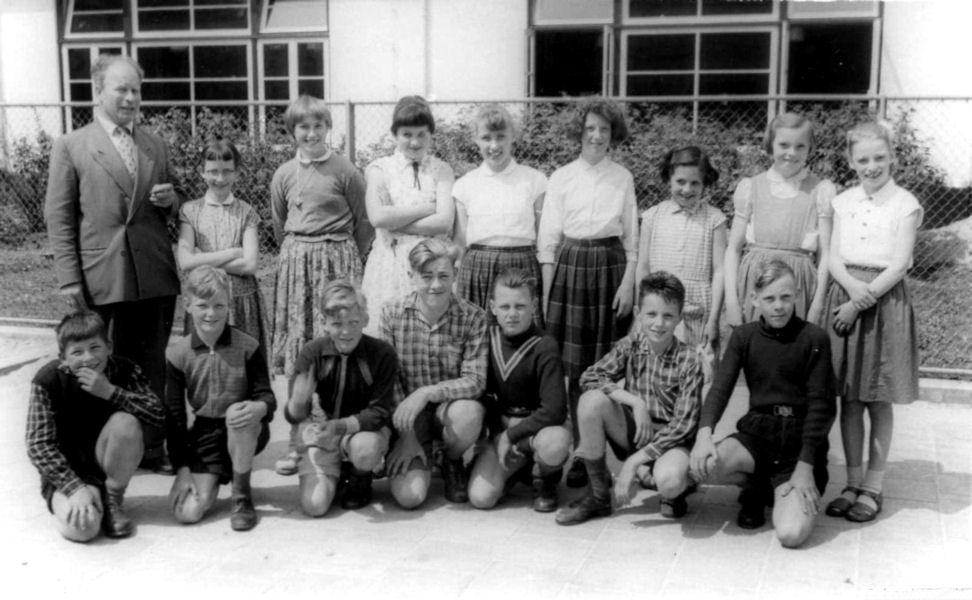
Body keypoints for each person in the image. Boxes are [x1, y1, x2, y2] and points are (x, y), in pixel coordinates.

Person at [44, 53, 185, 473]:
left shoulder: (153, 143)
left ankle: (152, 447)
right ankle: (93, 452)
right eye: (120, 89)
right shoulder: (72, 145)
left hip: (153, 275)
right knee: (93, 362)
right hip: (100, 275)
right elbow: (60, 216)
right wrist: (70, 279)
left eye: (136, 90)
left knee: (152, 363)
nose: (129, 98)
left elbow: (173, 205)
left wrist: (171, 200)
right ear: (99, 91)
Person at [690, 260, 835, 548]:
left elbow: (823, 407)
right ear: (755, 300)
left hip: (798, 445)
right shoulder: (744, 336)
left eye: (785, 297)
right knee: (702, 466)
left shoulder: (814, 338)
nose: (778, 306)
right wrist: (704, 433)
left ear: (796, 296)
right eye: (769, 298)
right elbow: (720, 389)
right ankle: (755, 489)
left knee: (791, 534)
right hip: (758, 435)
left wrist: (806, 466)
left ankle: (778, 491)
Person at [822, 121, 922, 523]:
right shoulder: (843, 202)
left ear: (892, 157)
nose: (872, 165)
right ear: (851, 161)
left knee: (877, 397)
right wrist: (849, 291)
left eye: (880, 157)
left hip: (883, 301)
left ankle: (874, 486)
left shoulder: (906, 203)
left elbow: (899, 264)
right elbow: (831, 256)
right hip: (846, 297)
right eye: (863, 159)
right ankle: (851, 482)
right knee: (850, 397)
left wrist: (862, 299)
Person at [537, 97, 638, 488]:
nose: (597, 136)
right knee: (576, 369)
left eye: (605, 129)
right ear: (579, 131)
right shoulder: (560, 177)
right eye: (590, 128)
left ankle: (609, 449)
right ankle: (581, 453)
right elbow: (548, 239)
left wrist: (629, 281)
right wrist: (548, 294)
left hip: (611, 268)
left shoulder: (623, 177)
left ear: (614, 134)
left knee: (607, 364)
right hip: (572, 267)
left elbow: (632, 238)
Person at [269, 94, 372, 476]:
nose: (310, 133)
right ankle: (296, 442)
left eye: (317, 126)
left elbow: (363, 224)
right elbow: (279, 224)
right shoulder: (283, 173)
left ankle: (338, 439)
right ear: (292, 131)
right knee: (302, 354)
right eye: (302, 127)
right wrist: (301, 255)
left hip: (338, 261)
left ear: (328, 128)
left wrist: (344, 263)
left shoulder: (345, 170)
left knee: (341, 349)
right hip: (298, 267)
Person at [556, 272, 704, 525]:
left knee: (669, 482)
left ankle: (675, 485)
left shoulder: (689, 360)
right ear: (638, 313)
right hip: (637, 432)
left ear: (680, 318)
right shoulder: (631, 344)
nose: (659, 323)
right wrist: (635, 403)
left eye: (668, 316)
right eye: (651, 314)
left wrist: (633, 463)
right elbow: (590, 376)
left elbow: (683, 426)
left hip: (670, 441)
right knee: (591, 400)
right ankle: (599, 496)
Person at [26, 311, 165, 542]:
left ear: (109, 346)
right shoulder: (47, 380)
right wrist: (73, 488)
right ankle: (87, 498)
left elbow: (158, 415)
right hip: (66, 473)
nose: (88, 358)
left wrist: (111, 392)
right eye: (77, 352)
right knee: (83, 529)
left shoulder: (125, 370)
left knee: (126, 423)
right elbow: (38, 445)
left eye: (95, 347)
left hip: (108, 465)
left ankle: (112, 499)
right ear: (63, 357)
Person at [165, 266, 275, 532]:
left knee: (238, 413)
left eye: (219, 305)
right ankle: (216, 474)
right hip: (205, 436)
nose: (211, 314)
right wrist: (182, 468)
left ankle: (241, 494)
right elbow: (175, 417)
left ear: (229, 305)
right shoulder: (177, 354)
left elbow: (267, 397)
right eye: (202, 305)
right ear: (188, 306)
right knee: (187, 512)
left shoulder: (248, 346)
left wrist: (258, 407)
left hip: (244, 427)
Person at [380, 238, 487, 508]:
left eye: (443, 276)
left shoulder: (474, 317)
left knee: (470, 414)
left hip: (448, 413)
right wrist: (406, 436)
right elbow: (388, 382)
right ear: (411, 276)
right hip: (407, 418)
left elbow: (475, 381)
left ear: (455, 274)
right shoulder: (391, 314)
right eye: (426, 276)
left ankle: (452, 460)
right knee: (410, 498)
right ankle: (418, 452)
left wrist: (427, 393)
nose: (436, 285)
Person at [285, 280, 398, 516]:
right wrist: (297, 403)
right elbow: (295, 415)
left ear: (366, 320)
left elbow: (379, 413)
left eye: (353, 322)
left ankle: (359, 475)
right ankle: (333, 473)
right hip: (323, 434)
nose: (346, 331)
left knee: (365, 449)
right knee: (314, 506)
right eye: (337, 323)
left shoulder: (382, 353)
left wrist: (339, 426)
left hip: (361, 432)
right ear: (324, 323)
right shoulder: (312, 352)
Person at [467, 268, 570, 512]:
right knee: (481, 498)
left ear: (534, 305)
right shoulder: (486, 338)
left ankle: (545, 477)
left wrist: (511, 436)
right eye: (505, 307)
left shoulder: (545, 345)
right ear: (492, 306)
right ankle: (516, 471)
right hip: (500, 432)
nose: (512, 314)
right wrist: (493, 435)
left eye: (520, 306)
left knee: (555, 443)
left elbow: (554, 410)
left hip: (534, 431)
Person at [724, 112, 837, 327]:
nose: (791, 153)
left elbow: (825, 253)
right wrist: (731, 301)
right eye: (784, 145)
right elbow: (733, 249)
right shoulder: (751, 187)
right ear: (770, 145)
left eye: (800, 146)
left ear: (810, 148)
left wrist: (818, 303)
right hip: (755, 283)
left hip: (798, 285)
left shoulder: (821, 190)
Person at [361, 95, 455, 336]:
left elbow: (444, 222)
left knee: (429, 333)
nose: (414, 142)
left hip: (429, 263)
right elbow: (378, 218)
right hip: (389, 263)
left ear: (431, 134)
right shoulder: (379, 169)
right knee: (388, 332)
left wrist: (397, 224)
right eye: (407, 134)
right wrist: (428, 207)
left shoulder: (442, 170)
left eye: (421, 134)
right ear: (395, 134)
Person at [454, 104, 547, 320]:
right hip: (477, 269)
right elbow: (460, 241)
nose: (494, 145)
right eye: (486, 138)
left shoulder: (535, 180)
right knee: (478, 336)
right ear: (476, 139)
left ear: (512, 136)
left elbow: (543, 237)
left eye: (500, 137)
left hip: (522, 265)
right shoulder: (464, 185)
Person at [177, 139, 269, 354]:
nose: (220, 178)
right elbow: (185, 261)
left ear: (236, 173)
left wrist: (204, 259)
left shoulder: (246, 212)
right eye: (213, 171)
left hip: (240, 300)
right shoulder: (191, 211)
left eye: (227, 171)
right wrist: (232, 252)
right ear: (202, 172)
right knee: (202, 361)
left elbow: (250, 265)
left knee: (242, 362)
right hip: (204, 299)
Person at [636, 146, 727, 351]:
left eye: (695, 183)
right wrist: (641, 308)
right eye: (680, 182)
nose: (687, 189)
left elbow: (720, 270)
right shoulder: (653, 216)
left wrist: (713, 320)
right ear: (669, 179)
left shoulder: (715, 219)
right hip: (659, 308)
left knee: (699, 370)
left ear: (705, 184)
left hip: (698, 309)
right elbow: (642, 265)